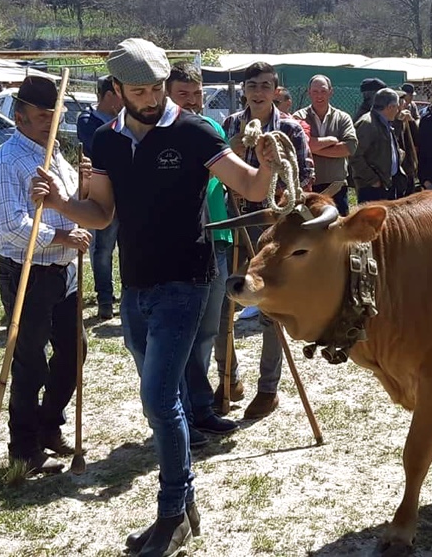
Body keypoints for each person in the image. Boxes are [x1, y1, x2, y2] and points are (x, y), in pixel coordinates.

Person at [31, 39, 277, 557]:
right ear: (118, 89)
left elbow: (253, 189)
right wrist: (61, 203)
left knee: (159, 400)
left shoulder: (195, 131)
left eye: (157, 88)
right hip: (135, 286)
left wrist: (269, 166)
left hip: (186, 281)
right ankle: (185, 507)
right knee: (163, 402)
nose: (150, 99)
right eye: (138, 90)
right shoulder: (106, 140)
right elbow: (101, 214)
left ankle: (170, 516)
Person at [0, 75, 91, 475]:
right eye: (43, 115)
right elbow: (10, 226)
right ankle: (24, 447)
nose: (50, 122)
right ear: (20, 117)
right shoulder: (5, 161)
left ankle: (49, 425)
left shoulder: (58, 156)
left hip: (63, 270)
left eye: (55, 114)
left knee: (74, 351)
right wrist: (61, 235)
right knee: (30, 361)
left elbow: (69, 207)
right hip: (25, 270)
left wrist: (83, 191)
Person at [223, 61, 315, 420]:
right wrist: (233, 154)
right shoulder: (232, 124)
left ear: (275, 91)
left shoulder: (288, 128)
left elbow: (304, 174)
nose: (258, 92)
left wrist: (282, 190)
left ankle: (268, 388)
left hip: (271, 226)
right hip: (234, 219)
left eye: (265, 86)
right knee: (224, 305)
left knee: (268, 308)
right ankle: (229, 379)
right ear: (244, 90)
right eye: (252, 86)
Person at [165, 62, 239, 446]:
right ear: (167, 95)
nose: (193, 102)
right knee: (181, 334)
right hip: (181, 244)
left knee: (208, 329)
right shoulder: (161, 136)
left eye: (197, 94)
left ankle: (201, 406)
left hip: (218, 237)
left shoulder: (211, 129)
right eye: (184, 95)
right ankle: (181, 414)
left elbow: (226, 177)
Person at [76, 75, 123, 319]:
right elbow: (102, 148)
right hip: (104, 193)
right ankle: (105, 298)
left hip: (128, 191)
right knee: (103, 249)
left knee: (130, 246)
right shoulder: (87, 120)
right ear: (109, 95)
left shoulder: (127, 119)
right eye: (120, 93)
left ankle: (129, 294)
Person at [293, 74, 357, 215]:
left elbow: (349, 148)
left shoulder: (342, 118)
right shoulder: (299, 117)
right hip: (308, 189)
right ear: (309, 93)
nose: (319, 95)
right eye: (315, 91)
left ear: (330, 92)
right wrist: (331, 140)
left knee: (340, 226)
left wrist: (311, 147)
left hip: (336, 188)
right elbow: (298, 146)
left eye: (323, 91)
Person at [350, 88, 407, 202]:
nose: (398, 111)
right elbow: (354, 155)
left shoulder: (385, 122)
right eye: (397, 107)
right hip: (372, 189)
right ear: (390, 107)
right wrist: (373, 180)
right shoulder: (368, 124)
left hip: (386, 184)